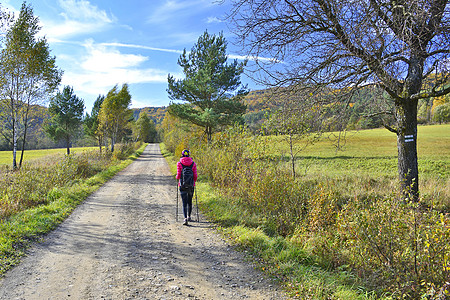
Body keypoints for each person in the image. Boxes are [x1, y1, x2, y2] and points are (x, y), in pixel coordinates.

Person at [176, 149, 198, 225]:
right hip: (191, 185)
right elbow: (195, 176)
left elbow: (178, 176)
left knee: (184, 202)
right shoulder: (193, 163)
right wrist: (193, 182)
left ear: (182, 155)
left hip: (182, 185)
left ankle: (185, 218)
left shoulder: (179, 163)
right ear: (189, 155)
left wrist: (177, 178)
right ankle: (189, 216)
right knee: (190, 202)